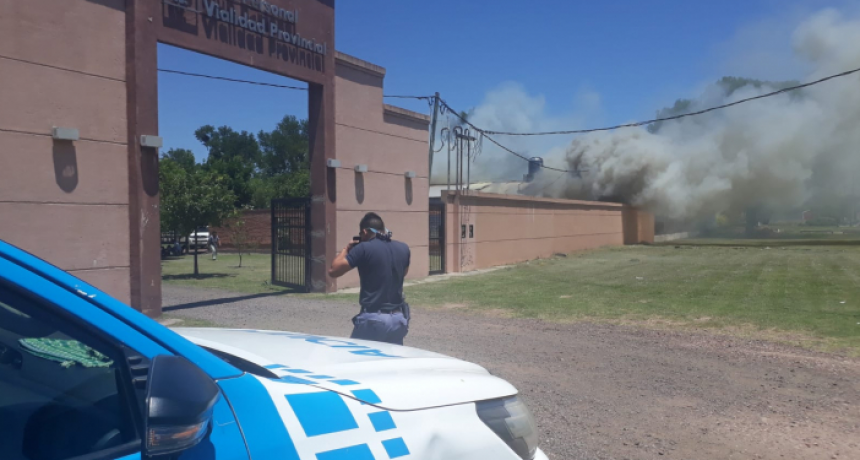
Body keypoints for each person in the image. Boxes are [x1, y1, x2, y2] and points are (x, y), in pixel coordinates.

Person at [328, 212, 411, 345]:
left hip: (373, 319)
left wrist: (347, 248)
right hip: (398, 319)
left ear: (364, 232)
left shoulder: (363, 248)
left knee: (357, 360)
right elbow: (404, 273)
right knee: (390, 362)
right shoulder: (403, 248)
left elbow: (333, 271)